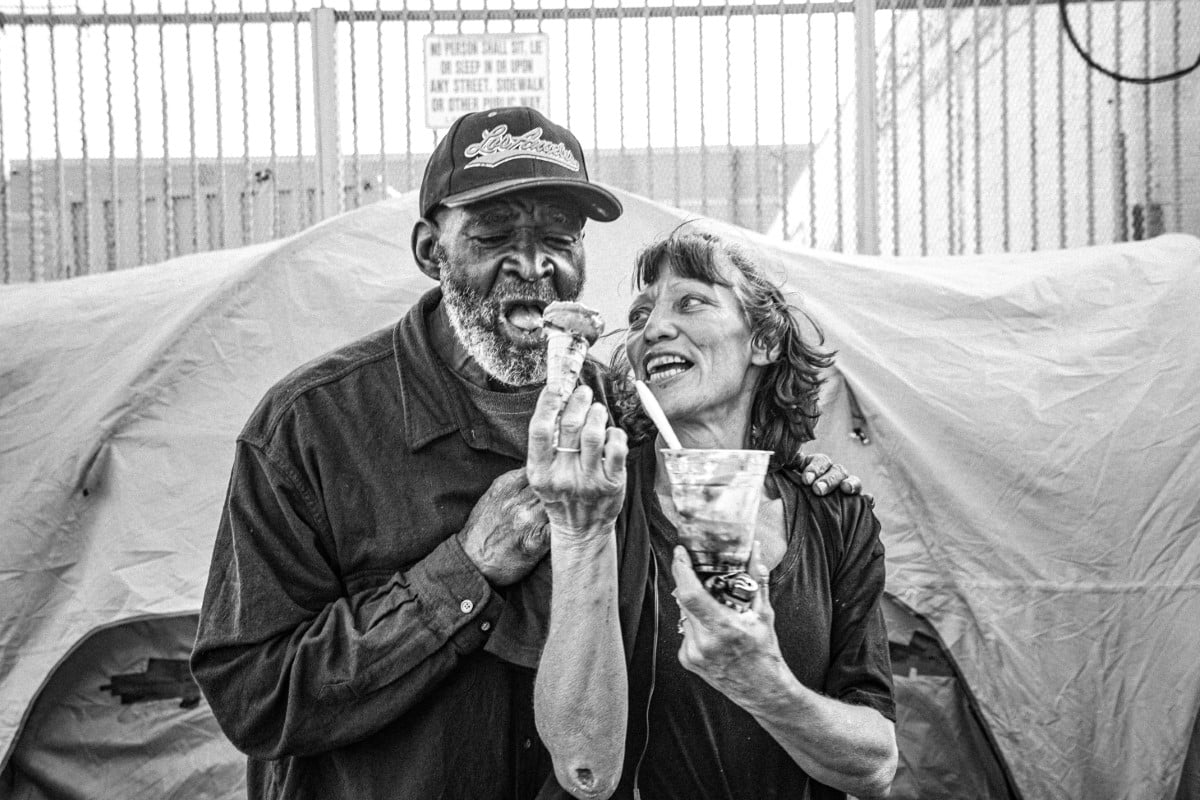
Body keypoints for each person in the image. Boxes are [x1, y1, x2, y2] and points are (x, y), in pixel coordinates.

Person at [191, 107, 859, 800]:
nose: (535, 264)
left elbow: (719, 451)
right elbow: (253, 696)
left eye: (558, 238)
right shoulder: (313, 427)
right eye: (495, 235)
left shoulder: (622, 413)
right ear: (430, 252)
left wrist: (801, 475)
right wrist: (466, 567)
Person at [528, 229, 897, 800]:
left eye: (691, 301)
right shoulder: (597, 497)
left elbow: (874, 766)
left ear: (765, 340)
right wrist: (582, 534)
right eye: (641, 313)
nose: (652, 330)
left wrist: (764, 684)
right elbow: (585, 769)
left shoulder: (837, 518)